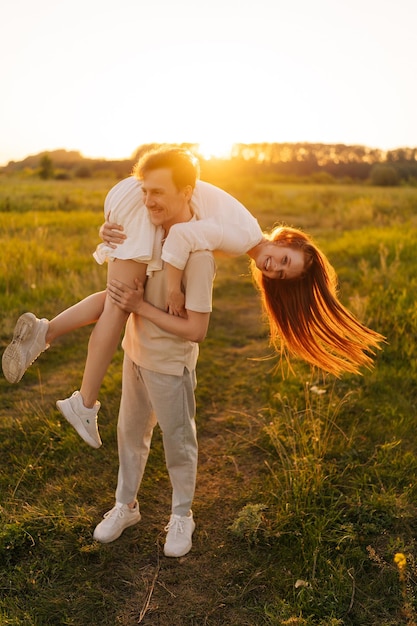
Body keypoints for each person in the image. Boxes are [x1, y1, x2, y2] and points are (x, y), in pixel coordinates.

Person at [2, 148, 384, 449]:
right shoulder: (243, 236)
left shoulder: (245, 233)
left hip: (139, 195)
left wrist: (117, 221)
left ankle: (44, 331)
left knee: (116, 294)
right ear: (286, 240)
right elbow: (183, 237)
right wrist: (173, 288)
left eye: (282, 274)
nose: (274, 268)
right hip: (147, 197)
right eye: (284, 259)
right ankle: (82, 404)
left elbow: (182, 233)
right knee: (120, 304)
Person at [92, 157, 216, 557]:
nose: (148, 201)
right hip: (135, 355)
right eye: (144, 191)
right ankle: (125, 507)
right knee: (129, 437)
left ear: (186, 192)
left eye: (158, 192)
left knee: (178, 443)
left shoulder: (198, 253)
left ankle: (182, 515)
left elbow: (196, 331)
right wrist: (106, 232)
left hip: (170, 367)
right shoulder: (145, 233)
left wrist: (140, 307)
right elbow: (117, 281)